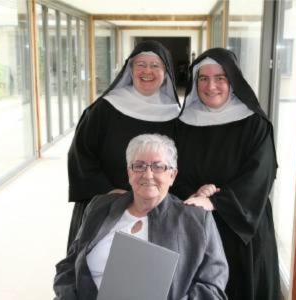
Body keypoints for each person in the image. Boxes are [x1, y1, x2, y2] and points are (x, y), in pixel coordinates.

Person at [54, 134, 229, 300]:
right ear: (129, 173)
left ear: (172, 175)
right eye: (139, 166)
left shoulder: (196, 220)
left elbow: (212, 287)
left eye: (158, 166)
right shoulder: (100, 207)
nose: (148, 174)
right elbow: (68, 266)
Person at [171, 48, 280, 300]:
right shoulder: (182, 124)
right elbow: (171, 169)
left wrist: (215, 200)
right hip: (196, 221)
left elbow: (259, 175)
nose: (211, 86)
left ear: (233, 80)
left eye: (220, 78)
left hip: (243, 227)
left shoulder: (254, 123)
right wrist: (196, 194)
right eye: (203, 78)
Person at [66, 40, 181, 249]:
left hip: (155, 206)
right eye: (141, 65)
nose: (147, 71)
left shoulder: (175, 115)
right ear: (130, 70)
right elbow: (80, 154)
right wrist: (108, 191)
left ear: (166, 72)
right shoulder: (105, 108)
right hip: (105, 202)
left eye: (155, 65)